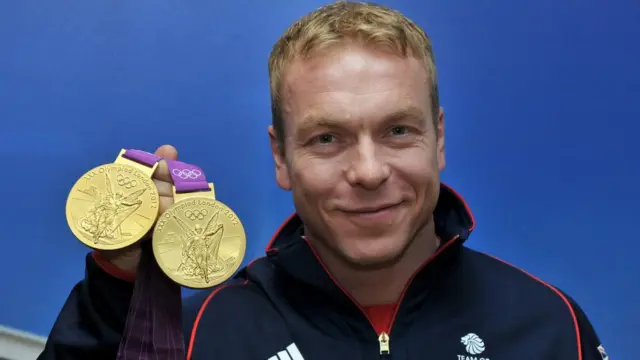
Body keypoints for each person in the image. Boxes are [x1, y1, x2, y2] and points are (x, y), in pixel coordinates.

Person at [38, 2, 608, 359]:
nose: (367, 171)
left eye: (398, 130)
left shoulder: (551, 324)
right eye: (327, 138)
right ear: (281, 157)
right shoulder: (202, 335)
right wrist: (117, 290)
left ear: (439, 139)